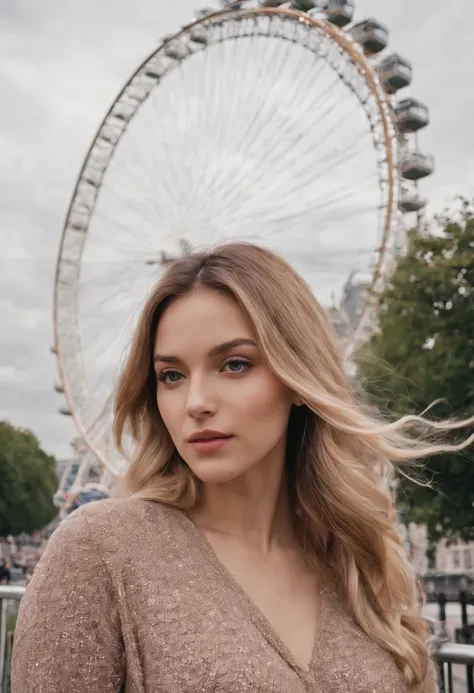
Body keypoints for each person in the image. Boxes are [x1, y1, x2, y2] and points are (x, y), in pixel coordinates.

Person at [11, 242, 473, 693]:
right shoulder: (101, 551)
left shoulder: (359, 563)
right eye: (171, 375)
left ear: (298, 379)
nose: (196, 403)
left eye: (234, 364)